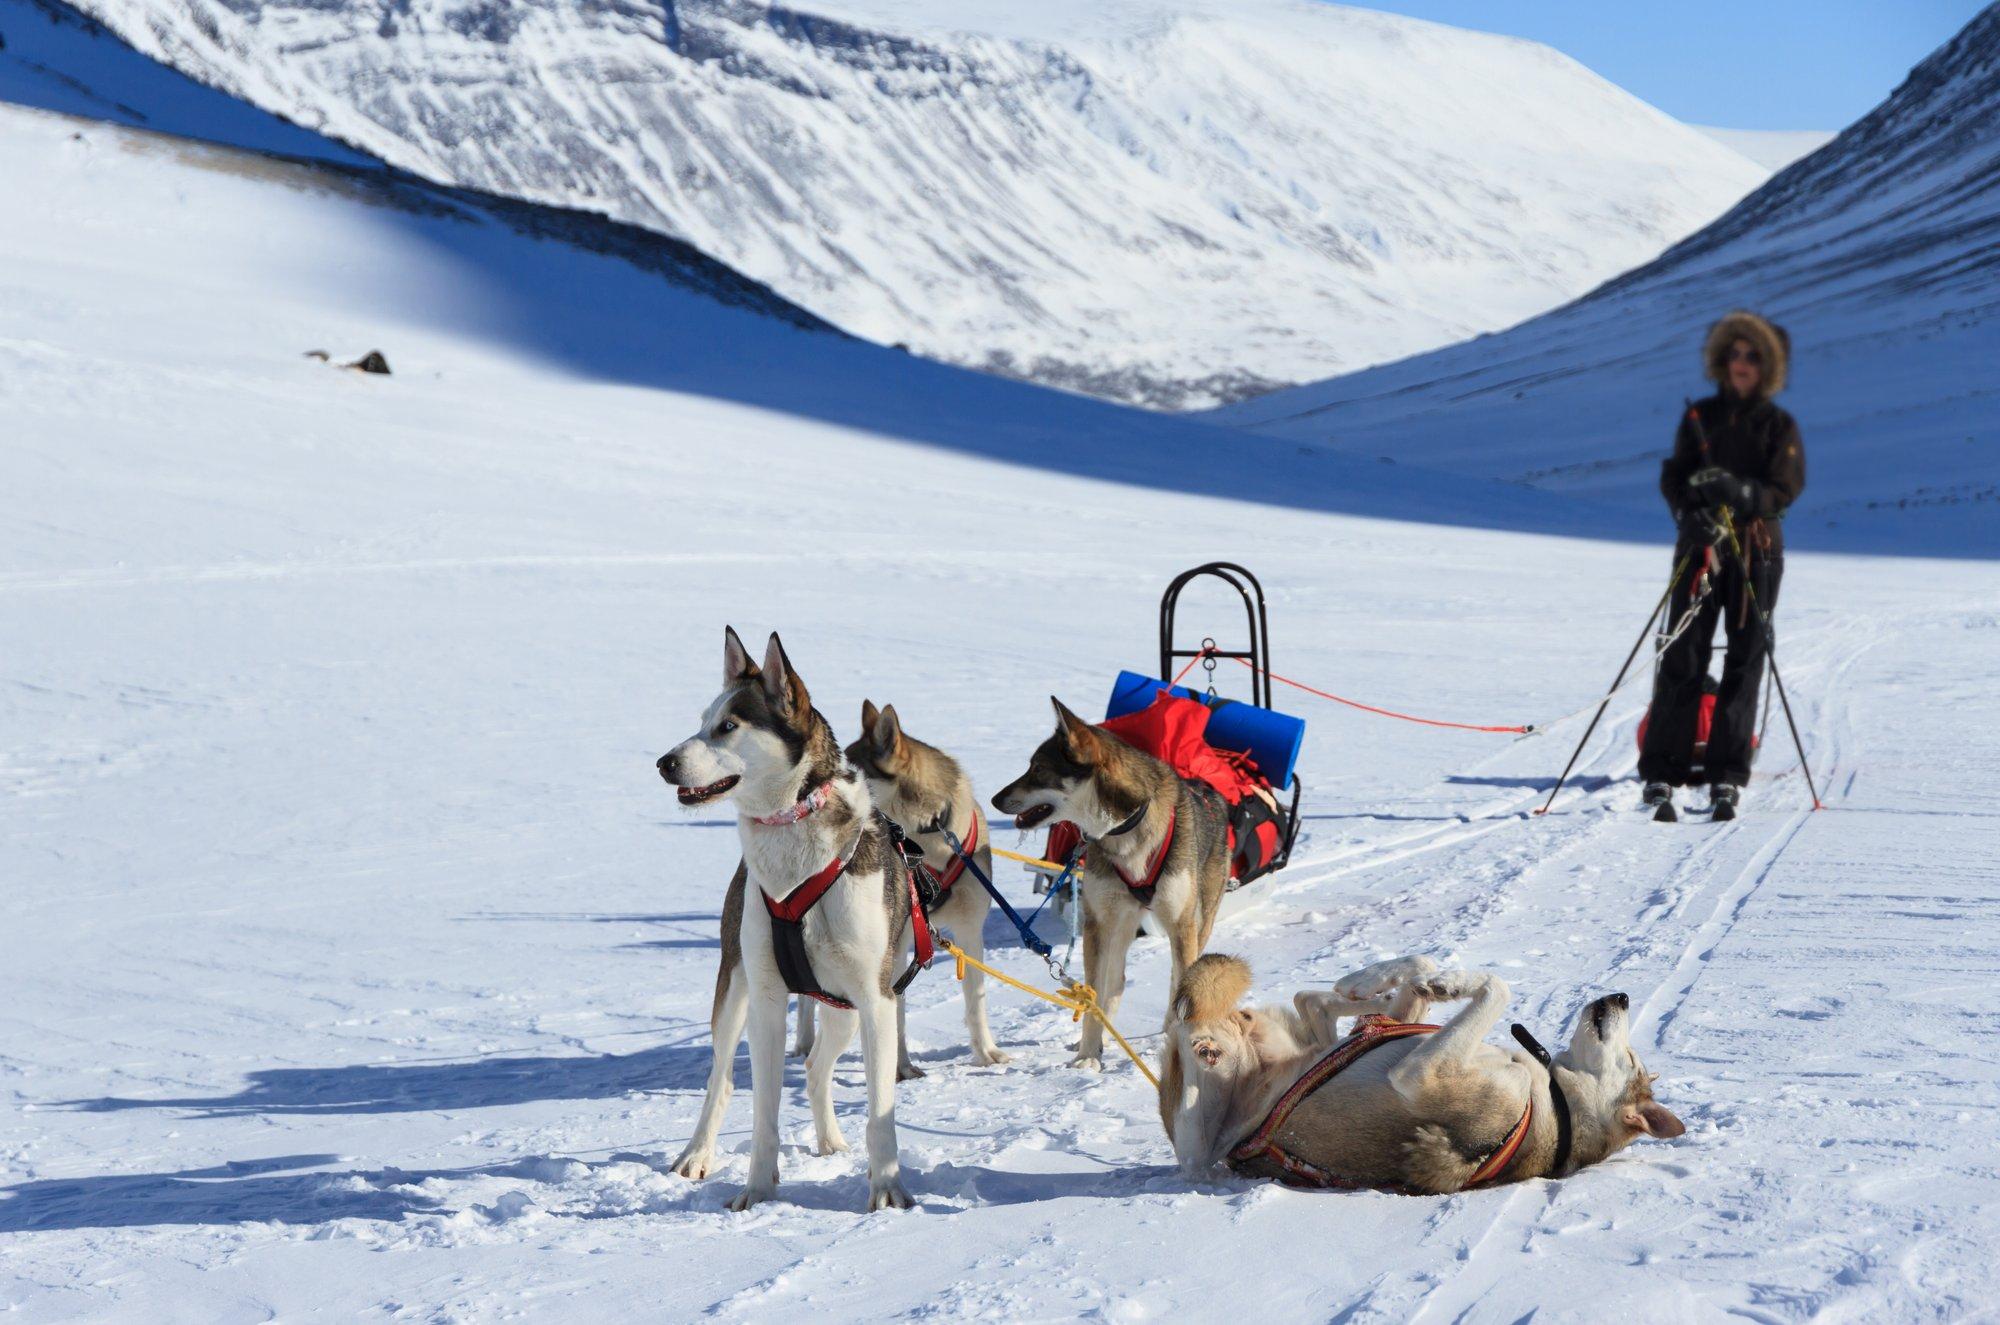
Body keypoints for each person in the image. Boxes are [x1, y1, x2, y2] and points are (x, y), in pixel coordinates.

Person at [1639, 311, 1806, 821]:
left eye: (1753, 355)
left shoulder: (1779, 426)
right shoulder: (1700, 418)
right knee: (1682, 654)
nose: (1741, 363)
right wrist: (1691, 509)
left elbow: (1784, 488)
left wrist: (1742, 494)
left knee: (1745, 657)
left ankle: (1727, 774)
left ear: (1768, 366)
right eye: (1734, 353)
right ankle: (1663, 769)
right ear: (1721, 359)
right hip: (1700, 546)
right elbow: (1675, 475)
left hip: (1757, 550)